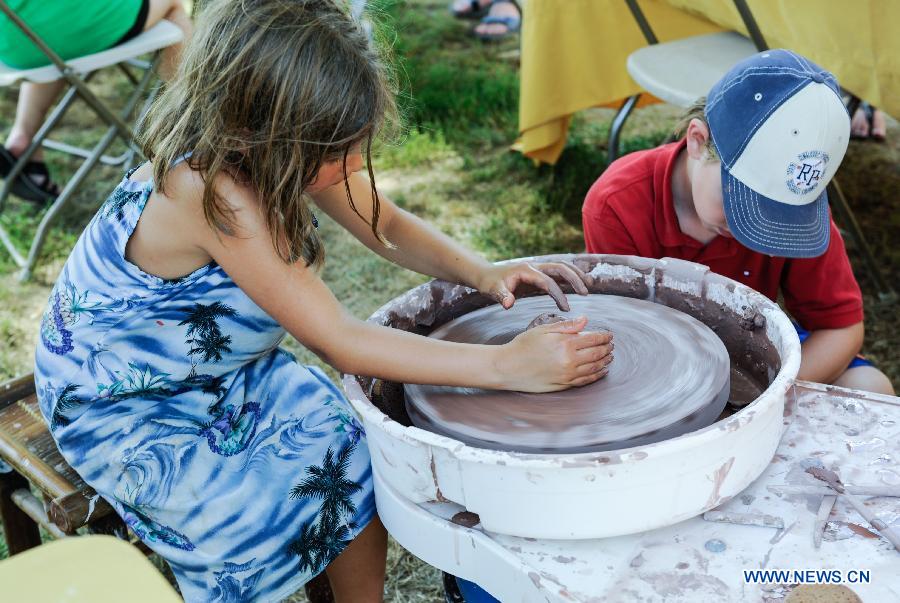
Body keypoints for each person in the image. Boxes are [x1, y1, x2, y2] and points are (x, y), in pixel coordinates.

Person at [33, 1, 612, 601]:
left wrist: (482, 271)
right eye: (337, 153)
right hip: (123, 402)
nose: (353, 166)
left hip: (215, 372)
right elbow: (340, 341)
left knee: (356, 455)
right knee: (242, 520)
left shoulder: (274, 147)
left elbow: (380, 218)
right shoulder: (210, 189)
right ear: (263, 129)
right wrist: (505, 367)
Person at [582, 49, 894, 397]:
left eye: (779, 212)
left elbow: (842, 329)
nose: (756, 228)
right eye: (742, 204)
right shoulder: (616, 203)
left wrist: (763, 398)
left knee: (870, 387)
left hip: (754, 353)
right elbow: (625, 339)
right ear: (697, 141)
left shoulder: (797, 217)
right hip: (662, 358)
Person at [0, 0, 192, 203]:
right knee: (173, 4)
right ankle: (197, 129)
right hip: (55, 26)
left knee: (47, 27)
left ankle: (23, 136)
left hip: (11, 38)